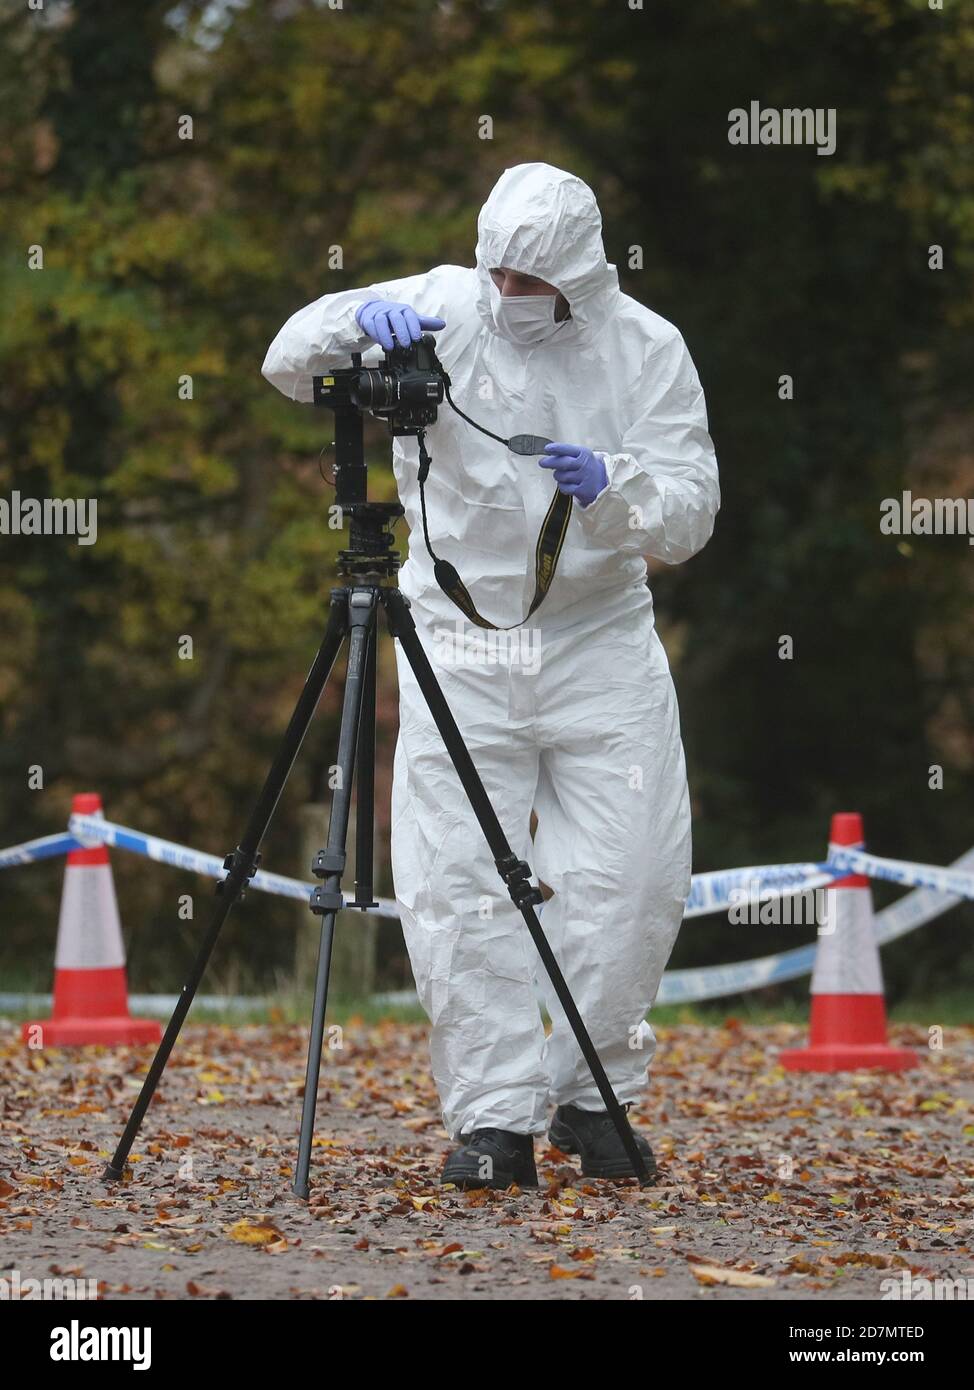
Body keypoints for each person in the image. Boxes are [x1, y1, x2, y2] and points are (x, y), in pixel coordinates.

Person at [262, 162, 719, 1189]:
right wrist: (352, 325)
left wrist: (618, 490)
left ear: (577, 279)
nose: (508, 296)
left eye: (531, 281)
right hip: (458, 647)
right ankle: (493, 1119)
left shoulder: (646, 349)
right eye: (498, 275)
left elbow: (690, 513)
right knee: (457, 881)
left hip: (599, 643)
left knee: (634, 878)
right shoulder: (441, 305)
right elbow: (286, 361)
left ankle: (589, 1092)